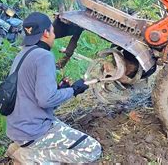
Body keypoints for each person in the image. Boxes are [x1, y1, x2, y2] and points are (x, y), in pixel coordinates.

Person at [5, 12, 102, 163]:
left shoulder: (23, 54)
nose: (54, 35)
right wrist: (74, 90)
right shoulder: (44, 56)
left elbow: (31, 93)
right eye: (53, 30)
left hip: (18, 129)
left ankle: (18, 148)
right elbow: (46, 100)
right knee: (92, 149)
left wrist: (59, 89)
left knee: (57, 125)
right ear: (45, 33)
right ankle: (28, 156)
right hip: (33, 132)